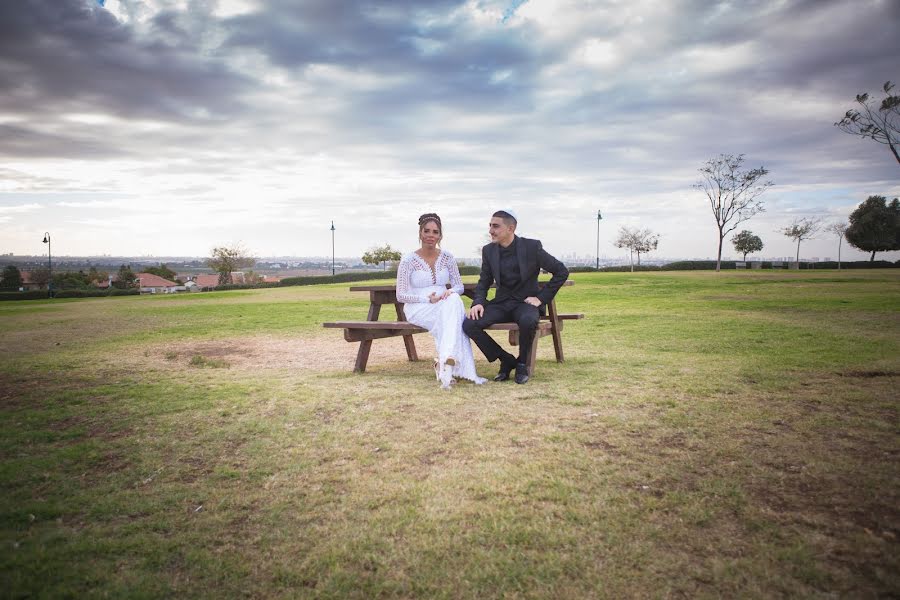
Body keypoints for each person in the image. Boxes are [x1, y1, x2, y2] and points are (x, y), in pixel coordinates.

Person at [463, 210, 569, 384]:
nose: (491, 230)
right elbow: (484, 281)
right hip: (502, 303)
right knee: (469, 324)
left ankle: (522, 363)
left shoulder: (532, 247)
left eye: (495, 226)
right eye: (490, 226)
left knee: (528, 321)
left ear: (511, 228)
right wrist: (478, 302)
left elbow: (561, 271)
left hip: (526, 303)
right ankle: (506, 359)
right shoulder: (488, 250)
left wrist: (541, 298)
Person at [396, 213, 487, 389]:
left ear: (440, 235)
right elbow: (401, 295)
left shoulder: (447, 257)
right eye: (427, 231)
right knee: (454, 313)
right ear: (420, 233)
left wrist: (449, 292)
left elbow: (459, 286)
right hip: (419, 307)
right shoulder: (408, 260)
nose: (431, 235)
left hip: (444, 303)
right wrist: (426, 299)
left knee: (453, 301)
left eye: (435, 232)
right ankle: (446, 361)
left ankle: (444, 362)